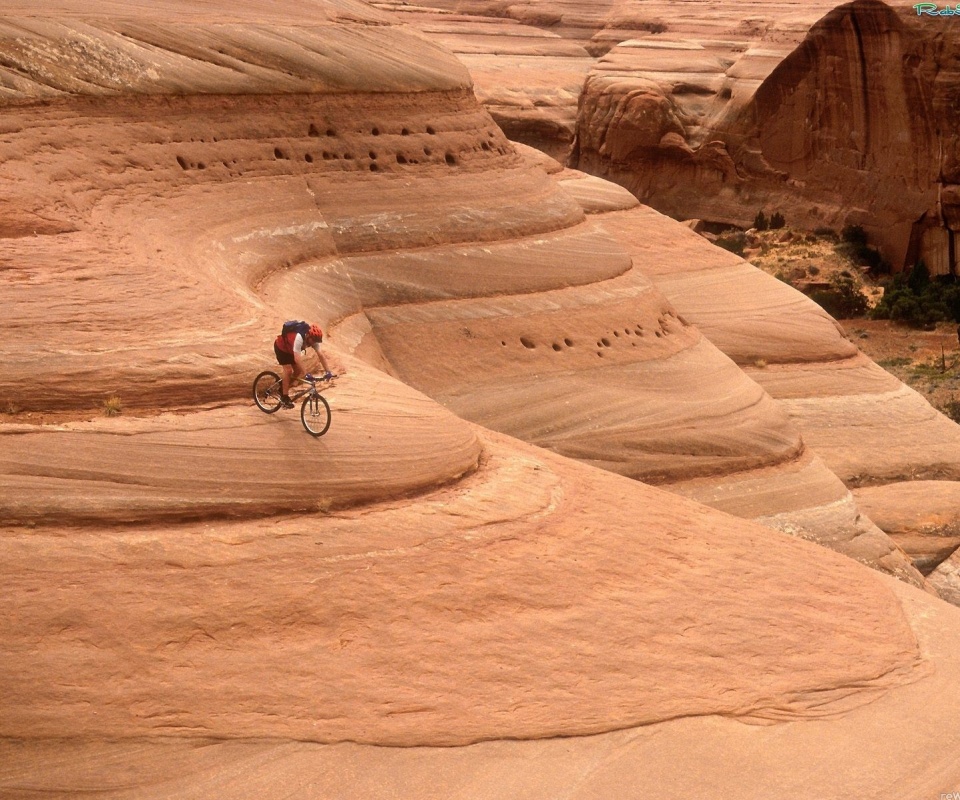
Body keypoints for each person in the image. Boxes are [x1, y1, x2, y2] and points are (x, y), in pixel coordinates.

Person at [274, 321, 332, 408]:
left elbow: (321, 355)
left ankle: (282, 387)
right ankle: (284, 397)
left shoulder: (313, 340)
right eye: (313, 340)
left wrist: (328, 372)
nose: (314, 343)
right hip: (282, 348)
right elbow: (297, 359)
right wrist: (306, 373)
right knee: (288, 370)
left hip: (291, 350)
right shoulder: (299, 337)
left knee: (297, 371)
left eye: (315, 341)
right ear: (308, 335)